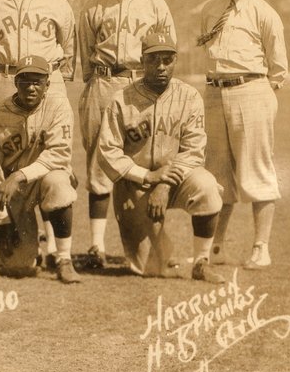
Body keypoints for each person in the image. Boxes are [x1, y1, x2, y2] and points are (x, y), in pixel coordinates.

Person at [75, 0, 175, 269]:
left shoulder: (156, 4)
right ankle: (96, 246)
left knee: (142, 158)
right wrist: (97, 81)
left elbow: (167, 54)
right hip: (103, 81)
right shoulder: (94, 5)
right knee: (98, 163)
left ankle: (150, 243)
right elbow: (86, 58)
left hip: (140, 86)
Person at [95, 26, 223, 279]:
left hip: (176, 178)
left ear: (175, 60)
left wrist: (163, 184)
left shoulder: (189, 96)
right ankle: (160, 244)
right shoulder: (121, 99)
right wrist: (146, 177)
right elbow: (107, 152)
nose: (161, 66)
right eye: (153, 59)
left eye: (167, 59)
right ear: (142, 61)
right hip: (135, 183)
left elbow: (194, 150)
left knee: (207, 187)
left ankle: (201, 262)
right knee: (150, 269)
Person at [196, 0, 288, 269]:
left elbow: (278, 68)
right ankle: (214, 247)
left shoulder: (263, 12)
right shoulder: (209, 9)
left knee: (256, 170)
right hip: (213, 92)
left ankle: (261, 248)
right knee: (216, 173)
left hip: (251, 90)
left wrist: (258, 94)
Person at [0, 56, 81, 284]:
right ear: (15, 83)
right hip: (13, 191)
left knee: (59, 182)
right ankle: (30, 252)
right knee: (18, 267)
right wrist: (1, 216)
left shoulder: (58, 105)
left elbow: (59, 154)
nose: (31, 87)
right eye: (25, 81)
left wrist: (20, 175)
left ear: (47, 84)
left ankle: (64, 259)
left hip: (43, 177)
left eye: (37, 81)